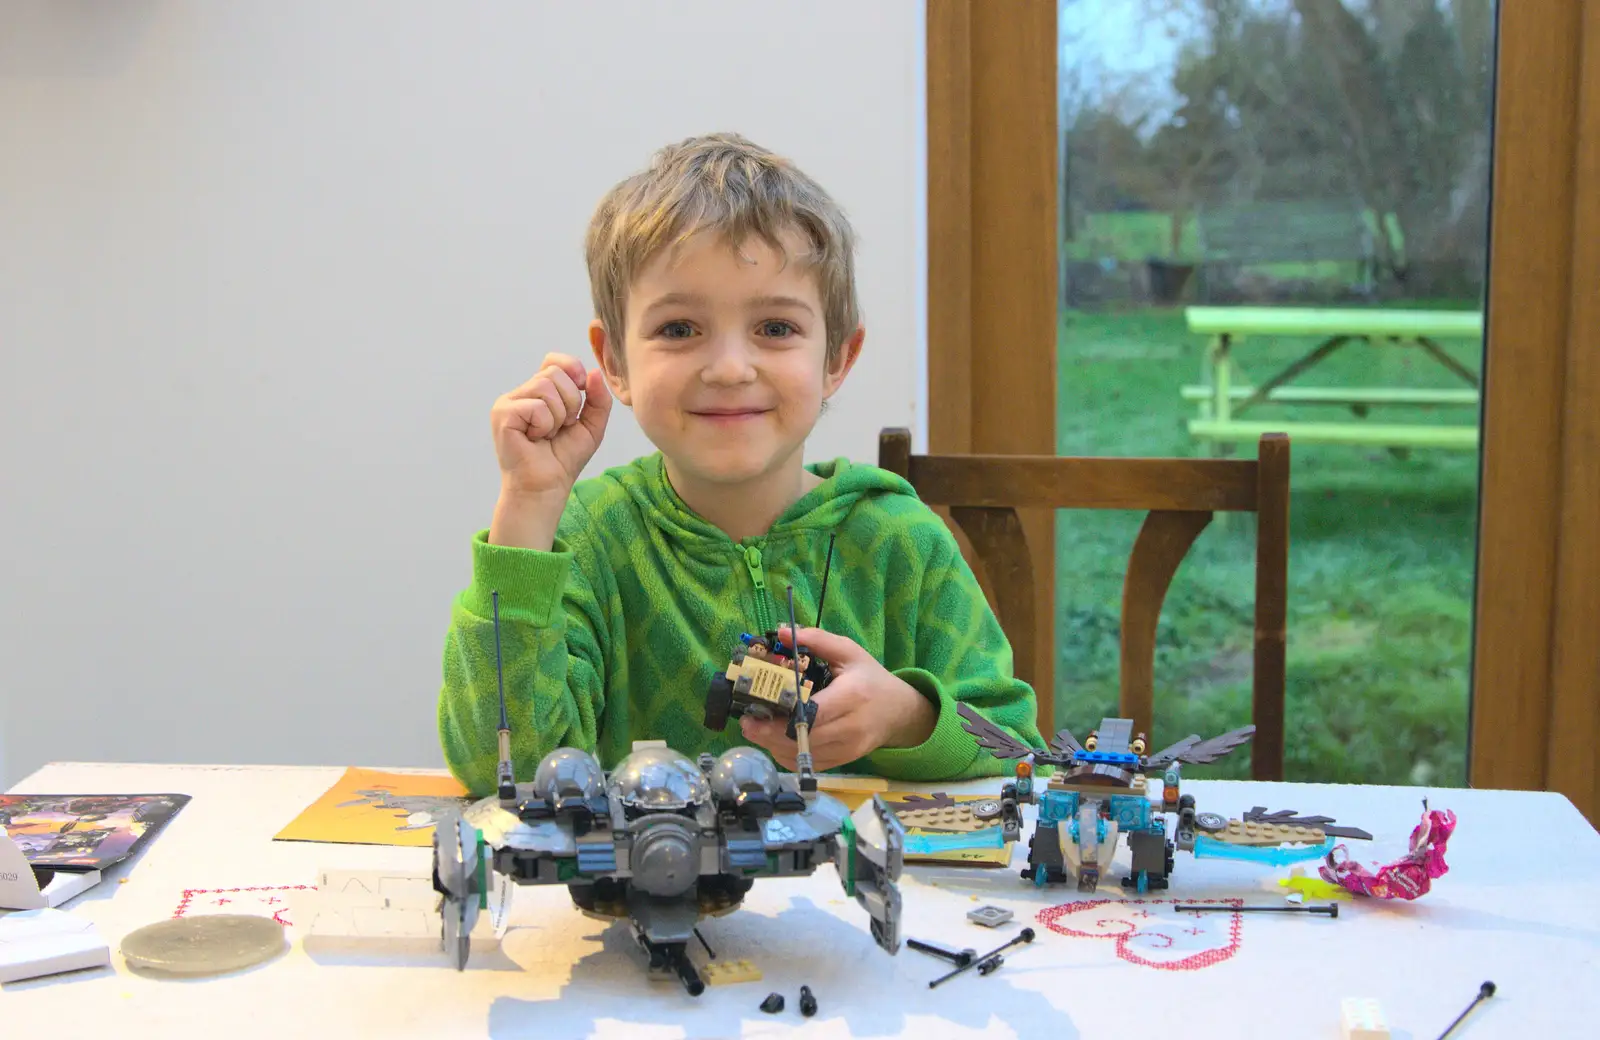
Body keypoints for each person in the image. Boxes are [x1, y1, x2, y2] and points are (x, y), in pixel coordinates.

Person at [438, 132, 1043, 796]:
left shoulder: (904, 541)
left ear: (837, 357)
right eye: (678, 329)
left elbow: (1012, 744)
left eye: (776, 329)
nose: (729, 369)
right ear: (614, 362)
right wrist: (526, 507)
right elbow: (500, 766)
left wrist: (905, 716)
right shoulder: (586, 537)